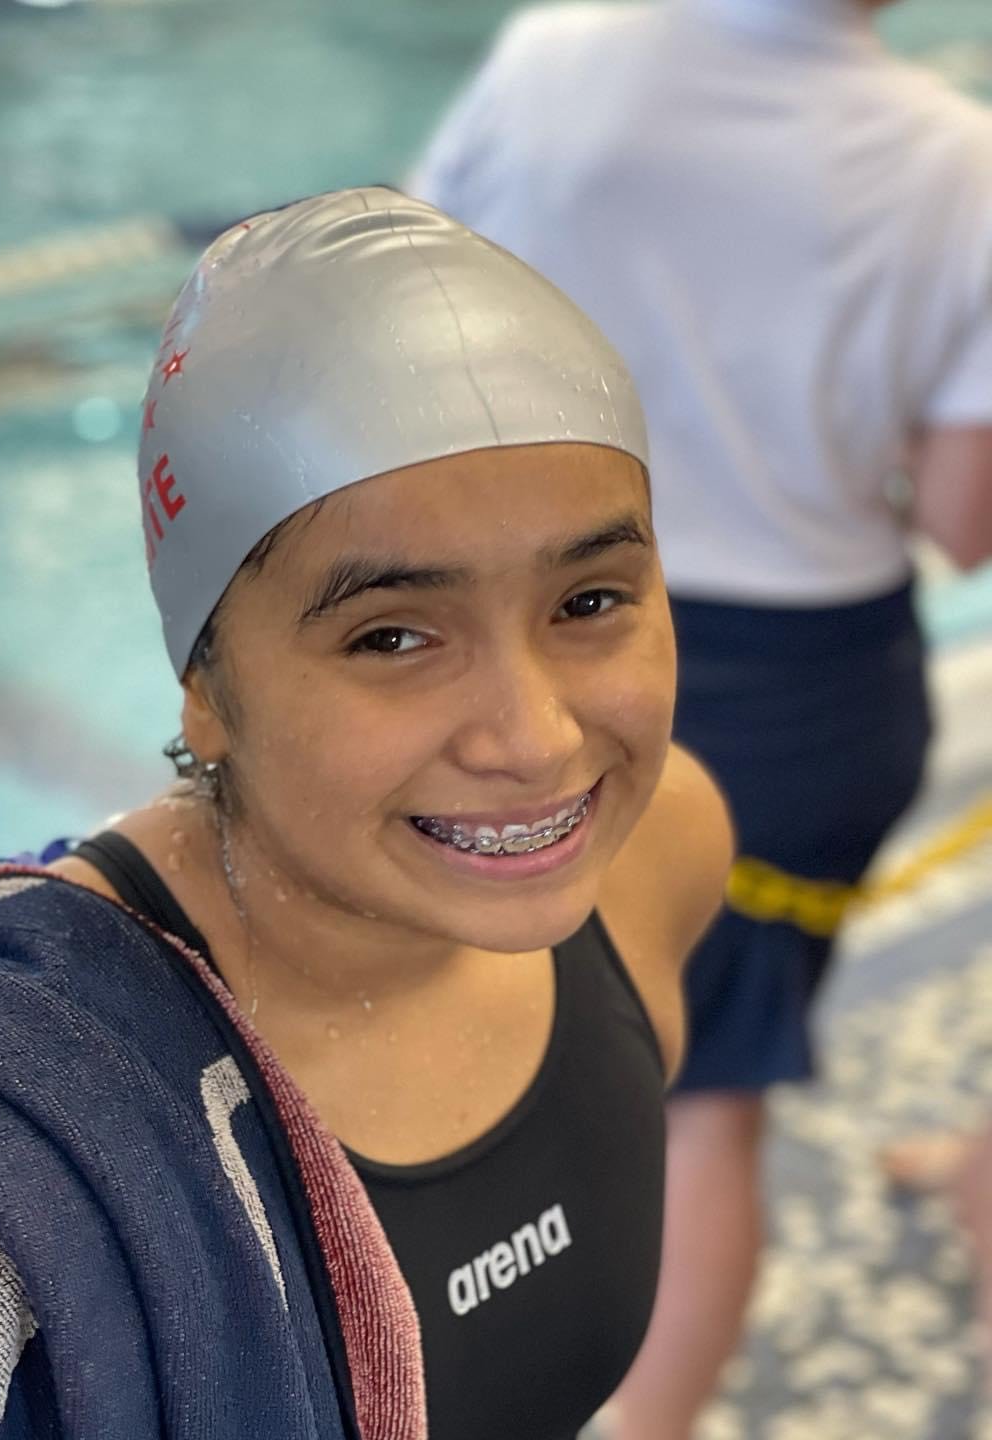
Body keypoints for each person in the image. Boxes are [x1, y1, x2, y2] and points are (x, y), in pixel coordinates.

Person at [0, 188, 732, 1440]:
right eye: (392, 636)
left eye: (590, 601)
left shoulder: (659, 859)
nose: (536, 738)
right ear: (205, 688)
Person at [409, 2, 992, 1435]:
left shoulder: (555, 58)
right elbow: (963, 522)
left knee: (449, 1065)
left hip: (524, 650)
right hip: (807, 697)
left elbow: (395, 343)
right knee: (705, 1104)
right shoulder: (958, 162)